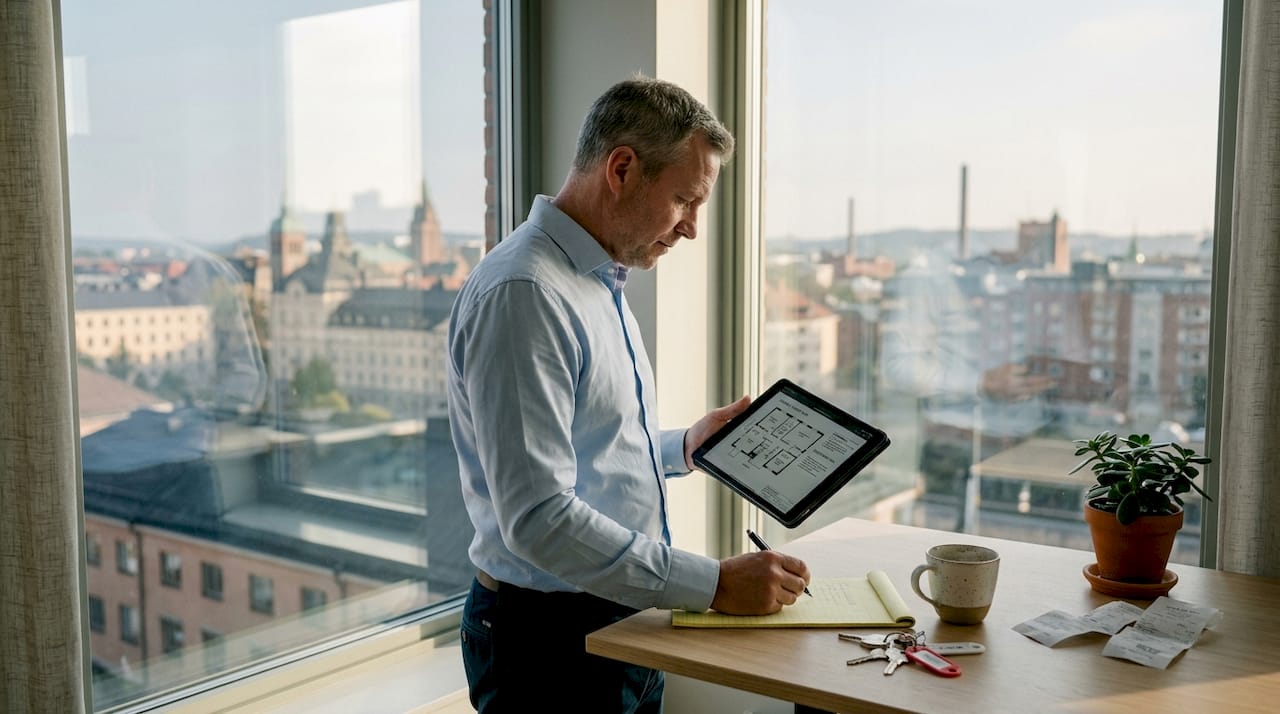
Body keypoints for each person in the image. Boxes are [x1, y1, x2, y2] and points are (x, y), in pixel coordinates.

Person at [446, 76, 811, 713]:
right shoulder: (526, 295)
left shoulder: (596, 281)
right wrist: (715, 584)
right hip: (549, 646)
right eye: (684, 200)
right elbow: (538, 518)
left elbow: (591, 444)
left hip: (616, 619)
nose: (692, 228)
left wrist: (684, 447)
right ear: (621, 169)